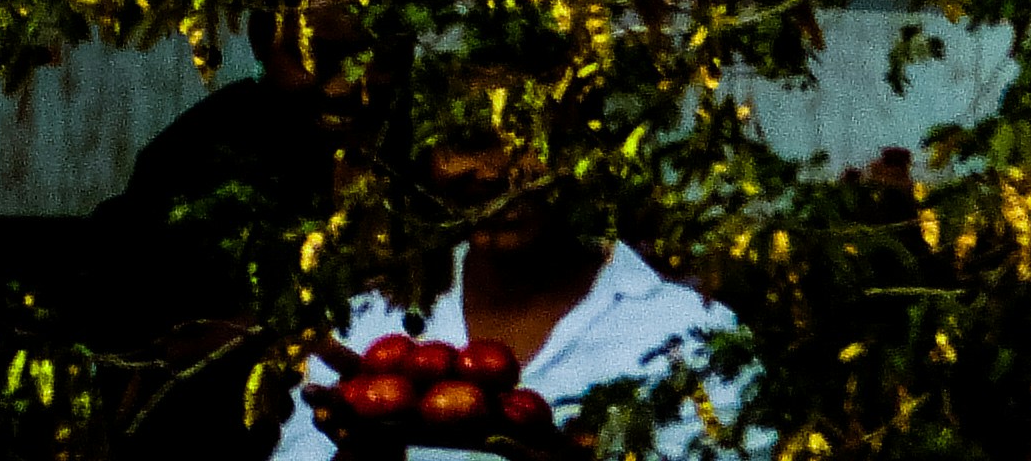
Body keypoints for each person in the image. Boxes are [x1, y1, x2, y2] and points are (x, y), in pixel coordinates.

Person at [279, 130, 731, 458]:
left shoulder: (690, 337)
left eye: (523, 140)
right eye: (469, 141)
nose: (493, 172)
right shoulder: (367, 329)